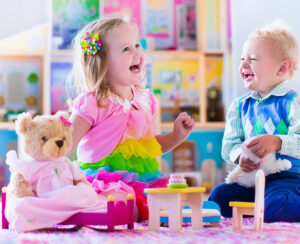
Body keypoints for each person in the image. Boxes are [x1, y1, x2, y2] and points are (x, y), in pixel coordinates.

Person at [67, 15, 195, 222]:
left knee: (167, 204)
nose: (137, 53)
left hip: (141, 181)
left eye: (137, 45)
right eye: (126, 49)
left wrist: (176, 136)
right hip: (103, 180)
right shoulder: (94, 102)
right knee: (119, 203)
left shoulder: (147, 101)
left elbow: (152, 145)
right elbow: (65, 143)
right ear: (103, 63)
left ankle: (135, 214)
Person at [209, 20, 300, 222]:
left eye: (252, 59)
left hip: (287, 179)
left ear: (282, 68)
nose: (243, 65)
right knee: (218, 197)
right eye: (242, 58)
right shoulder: (239, 106)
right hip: (251, 180)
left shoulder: (292, 102)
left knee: (278, 204)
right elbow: (228, 146)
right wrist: (239, 156)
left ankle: (270, 208)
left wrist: (277, 141)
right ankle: (262, 208)